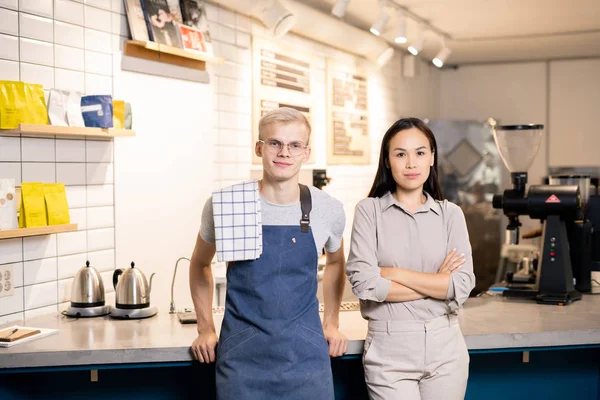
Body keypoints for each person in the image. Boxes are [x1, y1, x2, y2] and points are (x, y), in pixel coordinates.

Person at [189, 107, 348, 400]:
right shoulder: (226, 205)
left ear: (306, 152)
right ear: (259, 148)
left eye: (294, 145)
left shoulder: (328, 209)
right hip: (242, 359)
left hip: (306, 359)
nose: (284, 152)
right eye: (275, 143)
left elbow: (337, 263)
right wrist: (205, 328)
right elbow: (199, 264)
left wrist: (332, 323)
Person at [346, 117, 475, 400]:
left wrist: (392, 273)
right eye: (400, 154)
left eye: (420, 153)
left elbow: (462, 286)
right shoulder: (369, 212)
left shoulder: (450, 214)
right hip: (390, 351)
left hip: (446, 348)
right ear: (388, 161)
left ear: (431, 159)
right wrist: (438, 282)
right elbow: (366, 285)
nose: (411, 163)